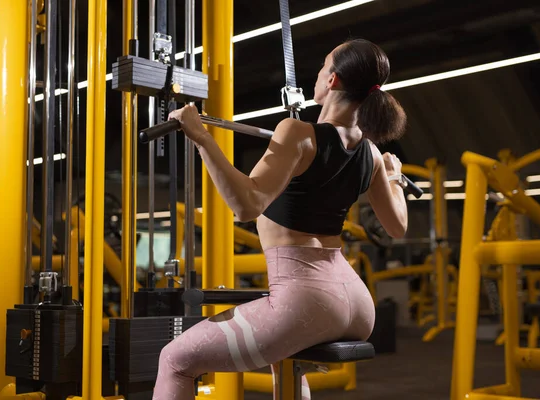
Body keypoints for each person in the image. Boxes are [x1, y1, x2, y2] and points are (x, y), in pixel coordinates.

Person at [153, 38, 408, 400]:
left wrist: (201, 137)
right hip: (357, 305)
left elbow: (246, 205)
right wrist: (394, 175)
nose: (318, 73)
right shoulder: (370, 151)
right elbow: (398, 226)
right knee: (285, 356)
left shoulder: (297, 132)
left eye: (323, 66)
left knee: (174, 360)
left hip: (305, 300)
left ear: (332, 80)